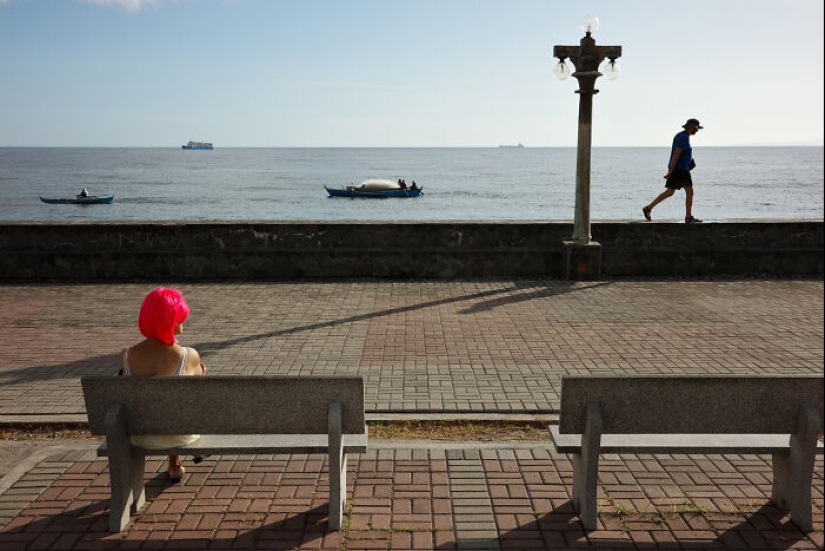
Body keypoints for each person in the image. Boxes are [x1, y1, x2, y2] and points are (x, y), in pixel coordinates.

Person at [118, 288, 206, 483]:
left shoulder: (126, 356)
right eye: (180, 317)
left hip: (140, 436)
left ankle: (175, 462)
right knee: (179, 402)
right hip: (180, 437)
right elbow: (199, 394)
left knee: (158, 402)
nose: (183, 321)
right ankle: (181, 458)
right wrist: (201, 372)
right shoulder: (189, 355)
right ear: (170, 320)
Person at [643, 118, 703, 223]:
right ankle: (688, 217)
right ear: (691, 128)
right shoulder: (683, 137)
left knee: (670, 192)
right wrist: (670, 171)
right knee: (689, 191)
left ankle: (648, 208)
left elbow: (680, 154)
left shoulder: (682, 136)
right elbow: (676, 154)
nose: (697, 131)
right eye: (696, 128)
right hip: (680, 170)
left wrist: (688, 163)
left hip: (681, 168)